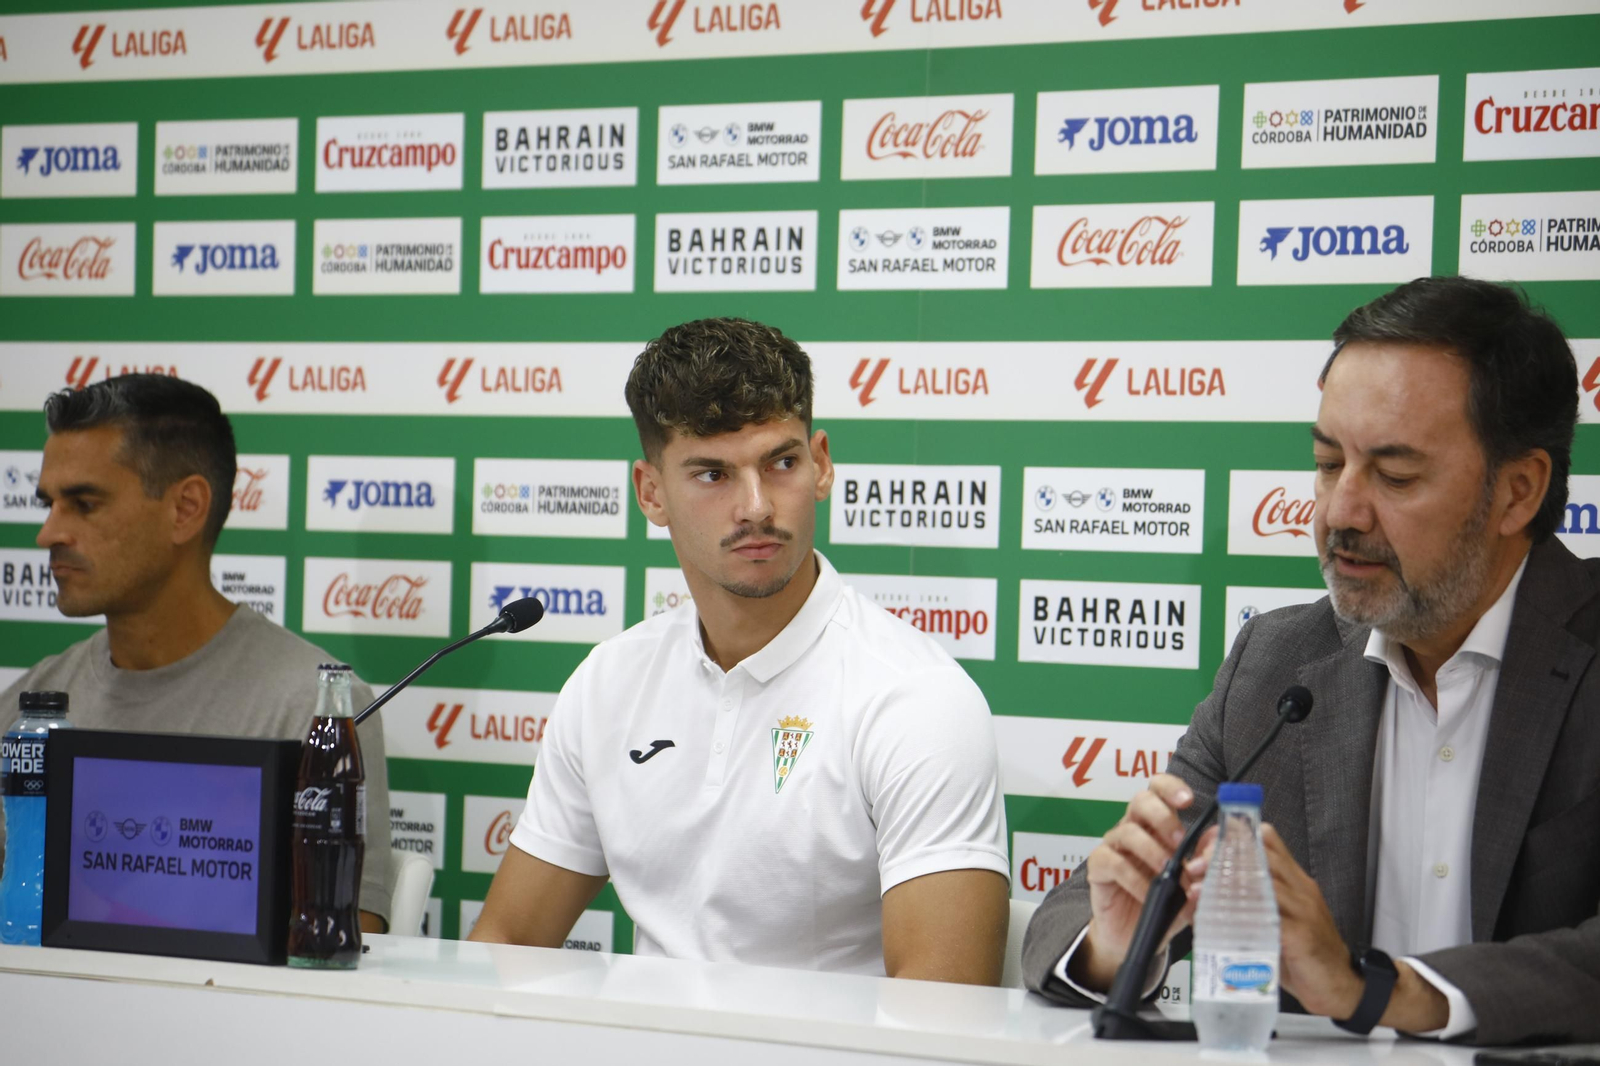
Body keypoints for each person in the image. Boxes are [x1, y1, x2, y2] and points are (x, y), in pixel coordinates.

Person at [1022, 276, 1600, 1045]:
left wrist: (1378, 992)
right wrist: (1120, 942)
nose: (1340, 513)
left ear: (1518, 492)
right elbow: (1072, 918)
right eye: (1329, 464)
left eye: (1394, 475)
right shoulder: (1277, 664)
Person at [470, 318, 1010, 981]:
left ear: (821, 463)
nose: (755, 507)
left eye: (781, 463)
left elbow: (942, 1010)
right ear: (650, 491)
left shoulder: (916, 698)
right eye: (713, 474)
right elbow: (507, 943)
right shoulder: (609, 681)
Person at [0, 374, 392, 932]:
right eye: (50, 503)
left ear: (185, 508)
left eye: (84, 504)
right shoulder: (27, 711)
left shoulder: (317, 709)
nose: (48, 533)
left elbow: (346, 945)